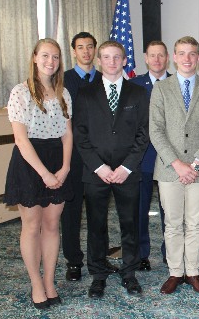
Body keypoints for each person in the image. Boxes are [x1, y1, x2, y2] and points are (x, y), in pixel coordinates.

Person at [73, 41, 150, 298]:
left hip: (128, 172)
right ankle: (98, 275)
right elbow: (80, 135)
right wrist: (99, 167)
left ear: (125, 60)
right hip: (96, 173)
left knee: (130, 225)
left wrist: (127, 166)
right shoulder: (84, 94)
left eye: (117, 57)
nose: (112, 62)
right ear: (99, 61)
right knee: (96, 225)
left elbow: (143, 133)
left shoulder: (138, 93)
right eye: (106, 57)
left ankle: (129, 273)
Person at [4, 38, 73, 310]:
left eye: (55, 57)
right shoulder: (20, 92)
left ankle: (49, 281)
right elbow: (21, 140)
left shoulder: (63, 94)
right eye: (45, 56)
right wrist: (44, 174)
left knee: (52, 225)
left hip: (58, 159)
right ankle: (36, 283)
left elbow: (68, 134)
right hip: (30, 162)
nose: (50, 62)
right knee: (32, 226)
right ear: (34, 58)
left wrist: (65, 167)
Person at [149, 36, 199, 294]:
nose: (187, 58)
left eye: (192, 54)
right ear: (174, 57)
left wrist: (197, 163)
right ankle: (175, 272)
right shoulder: (161, 88)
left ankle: (193, 271)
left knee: (195, 223)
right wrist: (178, 164)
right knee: (172, 223)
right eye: (182, 53)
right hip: (170, 169)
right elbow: (155, 130)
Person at [61, 32, 118, 282]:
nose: (86, 52)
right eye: (80, 47)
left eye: (90, 47)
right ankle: (73, 261)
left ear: (95, 50)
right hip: (72, 156)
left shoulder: (106, 78)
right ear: (73, 51)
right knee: (71, 212)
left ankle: (100, 258)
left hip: (101, 157)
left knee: (99, 213)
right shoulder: (63, 80)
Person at [129, 40, 171, 268]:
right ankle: (142, 254)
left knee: (170, 209)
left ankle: (170, 252)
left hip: (169, 157)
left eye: (161, 55)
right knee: (141, 208)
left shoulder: (177, 83)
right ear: (145, 58)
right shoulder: (134, 85)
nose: (156, 60)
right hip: (142, 156)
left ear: (167, 58)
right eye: (152, 55)